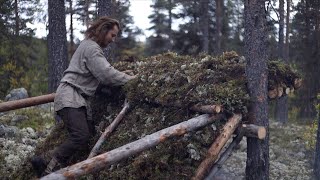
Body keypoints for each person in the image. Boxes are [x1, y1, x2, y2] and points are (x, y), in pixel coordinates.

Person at [31, 16, 136, 177]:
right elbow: (106, 74)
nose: (113, 40)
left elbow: (99, 75)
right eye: (112, 35)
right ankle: (44, 161)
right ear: (103, 31)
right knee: (81, 135)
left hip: (74, 97)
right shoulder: (91, 48)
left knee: (85, 135)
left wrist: (121, 74)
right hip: (70, 96)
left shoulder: (89, 47)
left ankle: (49, 169)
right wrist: (132, 80)